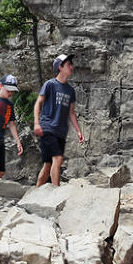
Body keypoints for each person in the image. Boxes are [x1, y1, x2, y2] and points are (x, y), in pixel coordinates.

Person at [34, 53, 84, 187]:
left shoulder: (70, 90)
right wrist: (37, 123)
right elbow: (38, 103)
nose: (72, 67)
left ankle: (35, 193)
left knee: (48, 164)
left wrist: (78, 131)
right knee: (58, 158)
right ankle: (57, 192)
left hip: (61, 132)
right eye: (69, 65)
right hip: (47, 128)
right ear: (60, 67)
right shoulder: (50, 85)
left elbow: (71, 113)